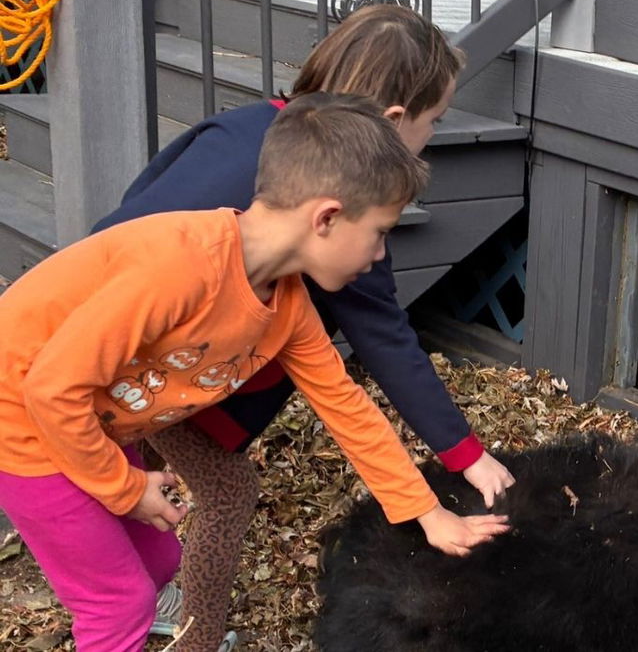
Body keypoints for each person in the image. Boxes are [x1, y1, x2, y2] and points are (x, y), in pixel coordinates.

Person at [0, 93, 510, 652]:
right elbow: (51, 389)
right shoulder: (179, 267)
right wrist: (125, 489)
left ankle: (144, 615)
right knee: (117, 604)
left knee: (161, 555)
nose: (378, 256)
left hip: (91, 421)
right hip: (24, 422)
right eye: (381, 232)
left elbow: (346, 407)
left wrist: (427, 513)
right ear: (327, 218)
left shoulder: (288, 306)